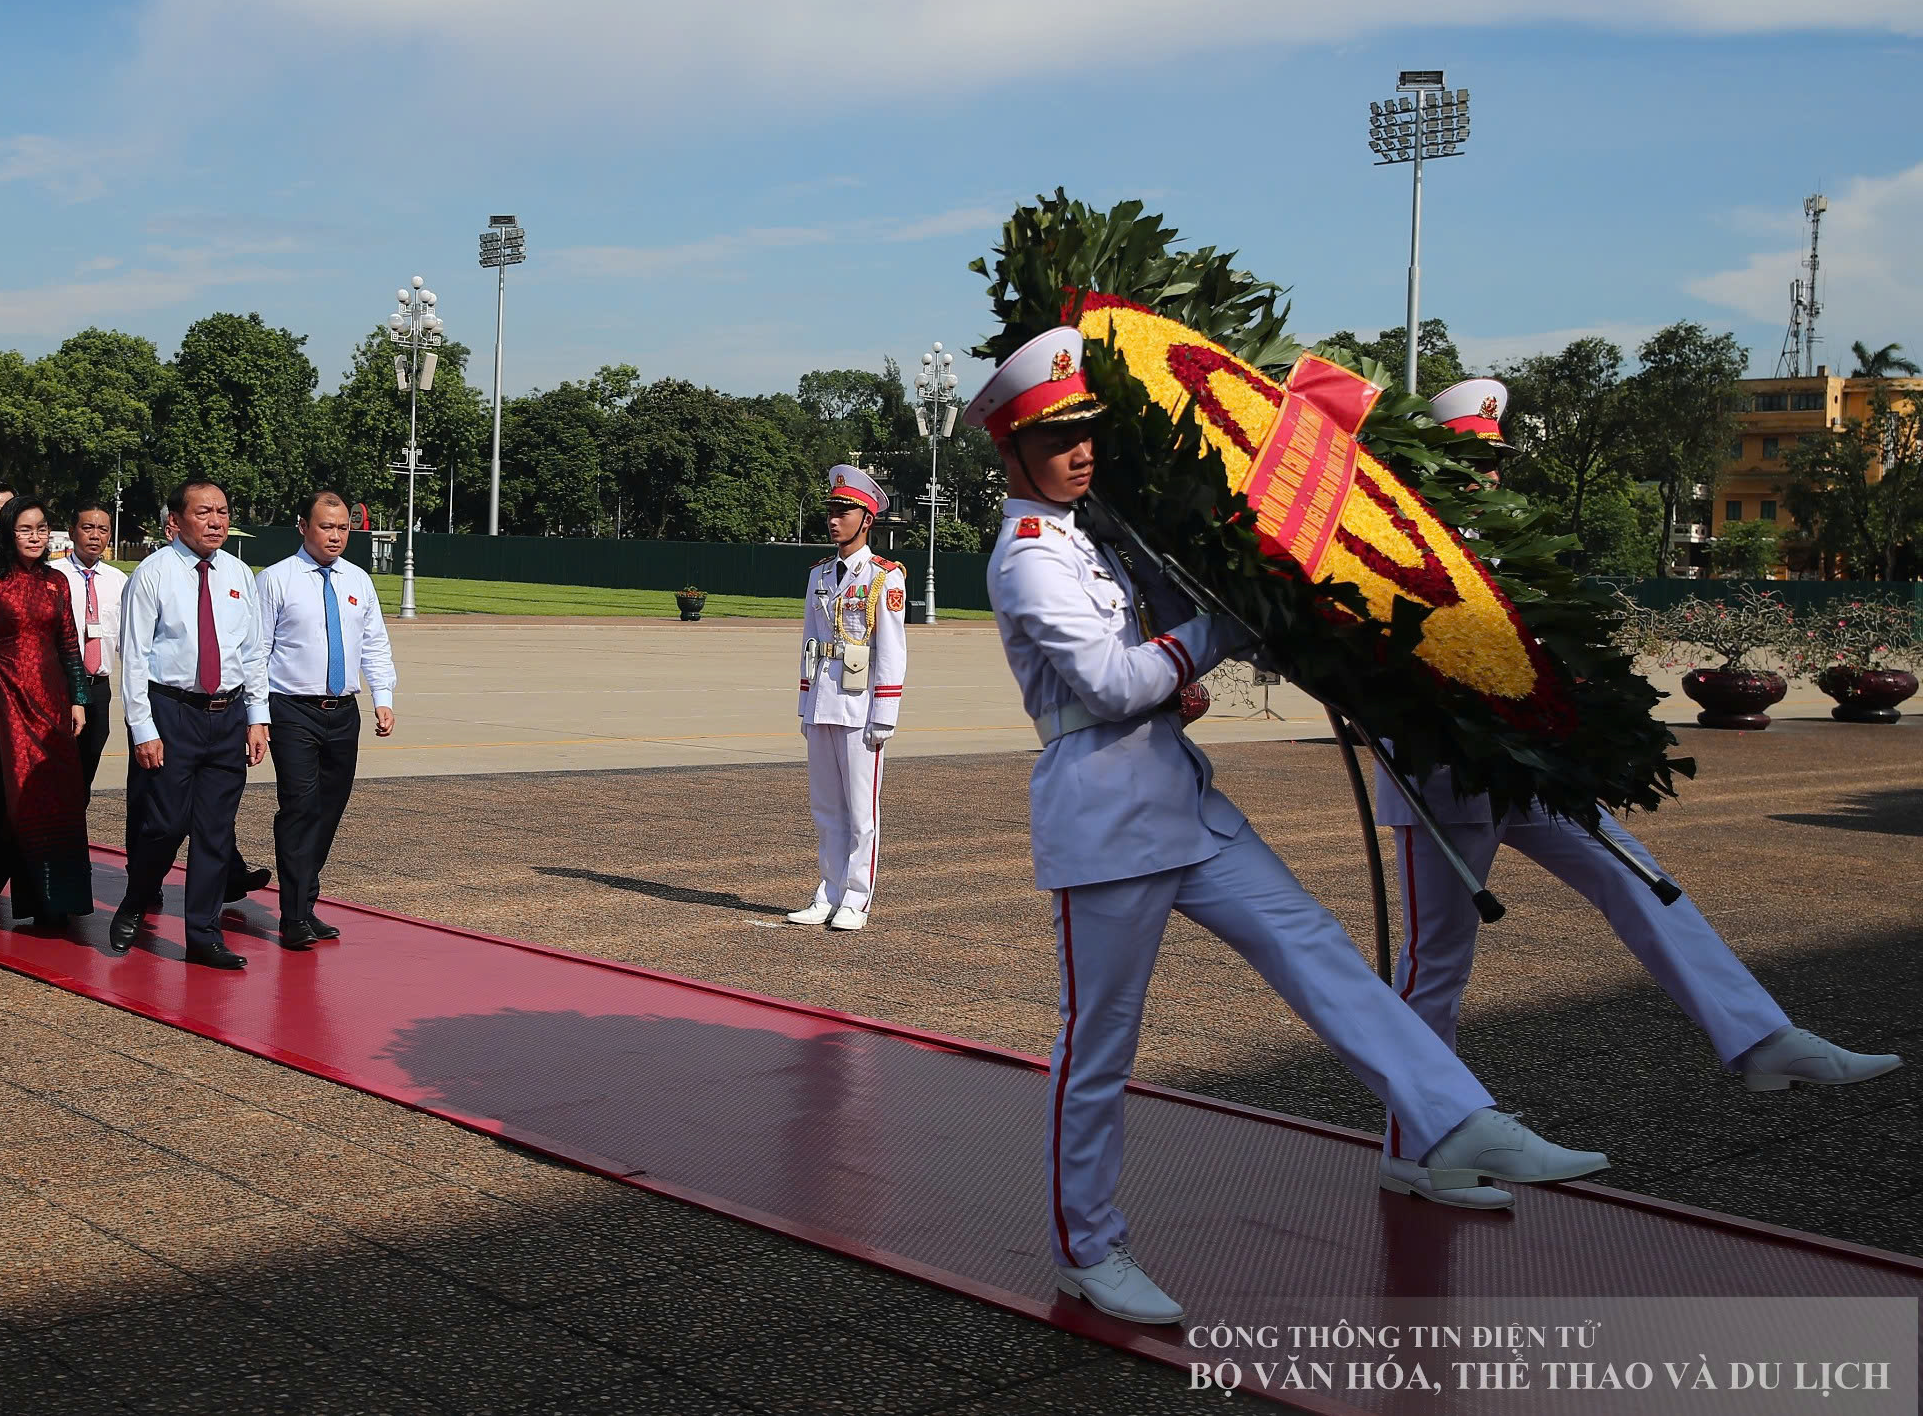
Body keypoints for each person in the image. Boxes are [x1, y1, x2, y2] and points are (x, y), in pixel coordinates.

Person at [965, 326, 1609, 1326]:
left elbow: (1153, 651)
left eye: (1085, 430)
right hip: (1104, 821)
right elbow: (1114, 681)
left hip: (1178, 796)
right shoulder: (1028, 558)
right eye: (1055, 437)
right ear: (1010, 450)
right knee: (1100, 1046)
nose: (1079, 450)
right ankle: (1086, 1245)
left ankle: (1454, 1116)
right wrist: (1225, 622)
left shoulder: (1093, 533)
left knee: (1317, 948)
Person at [1370, 379, 1903, 1209]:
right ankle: (1415, 1148)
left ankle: (1761, 1037)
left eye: (1495, 457)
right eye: (1470, 458)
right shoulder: (1393, 538)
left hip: (1532, 764)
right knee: (1436, 963)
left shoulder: (1505, 539)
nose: (1487, 473)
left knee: (1639, 877)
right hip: (1446, 775)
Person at [109, 480, 269, 970]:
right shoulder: (153, 574)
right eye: (204, 512)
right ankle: (138, 896)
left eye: (222, 511)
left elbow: (252, 653)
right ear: (175, 522)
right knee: (165, 824)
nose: (216, 521)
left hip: (227, 714)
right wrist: (142, 728)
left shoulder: (238, 574)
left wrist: (257, 717)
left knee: (215, 831)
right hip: (172, 713)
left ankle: (203, 934)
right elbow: (134, 658)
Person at [255, 491, 395, 950]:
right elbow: (257, 651)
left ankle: (306, 902)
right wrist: (256, 716)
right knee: (299, 808)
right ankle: (293, 914)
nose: (336, 536)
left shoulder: (358, 580)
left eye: (343, 528)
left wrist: (383, 696)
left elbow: (374, 642)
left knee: (328, 810)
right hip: (292, 709)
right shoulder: (275, 580)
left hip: (343, 712)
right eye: (326, 526)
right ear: (303, 527)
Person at [0, 497, 93, 927]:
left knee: (56, 796)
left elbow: (69, 643)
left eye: (42, 529)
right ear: (9, 534)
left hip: (51, 702)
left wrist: (78, 698)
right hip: (2, 699)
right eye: (26, 529)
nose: (35, 537)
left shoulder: (57, 581)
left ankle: (54, 901)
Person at [791, 465, 908, 931]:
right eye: (831, 511)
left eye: (845, 511)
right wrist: (805, 705)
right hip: (823, 700)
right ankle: (828, 892)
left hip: (861, 707)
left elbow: (892, 651)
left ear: (867, 520)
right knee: (825, 809)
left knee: (861, 812)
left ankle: (856, 899)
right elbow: (809, 641)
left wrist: (885, 714)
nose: (834, 519)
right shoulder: (819, 574)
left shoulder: (884, 577)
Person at [52, 504, 126, 789]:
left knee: (90, 756)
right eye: (88, 528)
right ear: (72, 532)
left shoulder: (118, 581)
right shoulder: (53, 575)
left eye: (103, 529)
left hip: (98, 685)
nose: (96, 535)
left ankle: (77, 811)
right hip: (61, 684)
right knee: (57, 762)